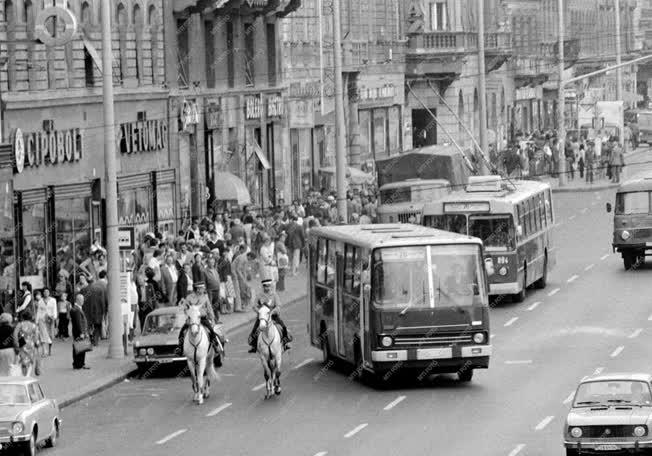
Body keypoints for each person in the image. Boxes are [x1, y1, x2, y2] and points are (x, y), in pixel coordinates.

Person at [176, 282, 221, 359]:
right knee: (182, 332)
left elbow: (209, 309)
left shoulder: (205, 297)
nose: (203, 289)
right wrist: (187, 317)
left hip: (202, 318)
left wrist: (212, 319)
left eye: (203, 288)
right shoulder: (189, 298)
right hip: (192, 319)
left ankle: (215, 346)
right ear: (198, 289)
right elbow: (184, 308)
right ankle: (180, 348)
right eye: (202, 288)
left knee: (211, 331)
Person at [248, 279, 292, 353]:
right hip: (263, 317)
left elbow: (278, 306)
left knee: (283, 326)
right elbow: (254, 306)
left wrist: (273, 312)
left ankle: (286, 341)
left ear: (270, 286)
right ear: (263, 287)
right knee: (254, 330)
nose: (267, 288)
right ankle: (254, 345)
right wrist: (259, 312)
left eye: (268, 286)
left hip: (273, 316)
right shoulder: (259, 296)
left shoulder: (274, 295)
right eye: (265, 286)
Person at [13, 310, 41, 376]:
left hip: (22, 344)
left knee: (22, 360)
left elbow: (15, 334)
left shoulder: (20, 324)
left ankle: (24, 374)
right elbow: (36, 337)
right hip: (31, 345)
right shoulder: (34, 326)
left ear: (22, 317)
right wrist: (37, 343)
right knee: (30, 361)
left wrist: (16, 343)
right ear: (31, 317)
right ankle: (28, 375)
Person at [70, 293, 90, 370]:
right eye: (82, 300)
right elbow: (78, 322)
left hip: (79, 332)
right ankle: (78, 364)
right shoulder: (76, 309)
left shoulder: (76, 308)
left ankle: (80, 364)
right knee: (80, 348)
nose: (83, 301)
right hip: (79, 332)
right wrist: (81, 332)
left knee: (80, 348)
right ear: (78, 300)